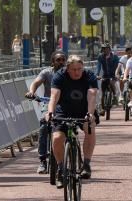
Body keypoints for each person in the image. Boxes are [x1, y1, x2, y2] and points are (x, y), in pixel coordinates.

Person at [46, 55, 98, 184]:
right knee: (57, 138)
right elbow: (54, 96)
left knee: (89, 128)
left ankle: (86, 164)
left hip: (84, 110)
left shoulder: (89, 75)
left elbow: (91, 95)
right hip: (63, 110)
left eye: (79, 69)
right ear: (67, 69)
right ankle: (60, 168)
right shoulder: (60, 75)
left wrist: (90, 114)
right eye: (74, 69)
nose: (77, 72)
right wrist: (50, 112)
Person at [25, 51, 67, 174]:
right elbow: (36, 82)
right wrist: (31, 92)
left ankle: (71, 152)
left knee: (70, 126)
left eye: (63, 60)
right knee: (44, 125)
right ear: (52, 62)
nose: (61, 62)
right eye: (58, 60)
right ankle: (43, 160)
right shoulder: (46, 72)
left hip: (64, 105)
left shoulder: (68, 73)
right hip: (47, 103)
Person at [96, 44, 119, 110]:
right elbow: (98, 66)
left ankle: (114, 97)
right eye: (104, 49)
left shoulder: (115, 57)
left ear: (109, 49)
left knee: (111, 83)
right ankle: (103, 108)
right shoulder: (100, 57)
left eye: (106, 49)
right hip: (105, 75)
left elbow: (117, 67)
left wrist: (116, 74)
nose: (105, 50)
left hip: (113, 75)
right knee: (103, 91)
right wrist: (97, 74)